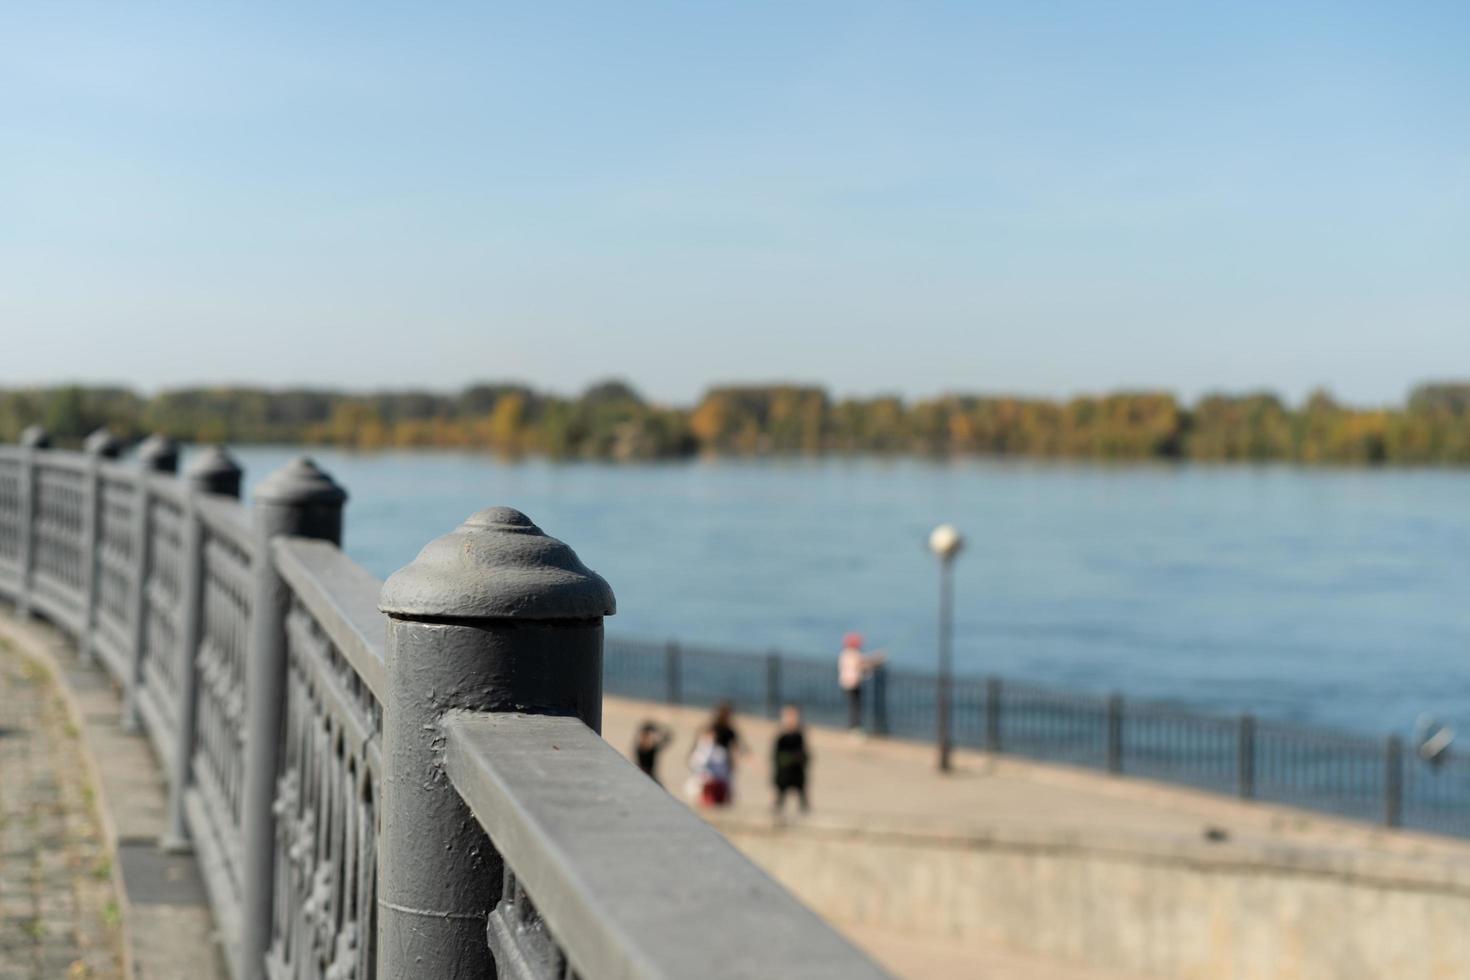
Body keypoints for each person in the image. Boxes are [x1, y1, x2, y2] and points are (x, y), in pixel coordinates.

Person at [837, 632, 886, 731]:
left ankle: (853, 726)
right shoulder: (853, 654)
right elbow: (862, 664)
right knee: (855, 707)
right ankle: (854, 727)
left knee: (854, 706)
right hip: (853, 683)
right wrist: (878, 659)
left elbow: (863, 662)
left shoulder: (845, 653)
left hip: (847, 683)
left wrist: (875, 659)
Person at [772, 704, 810, 815]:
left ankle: (803, 808)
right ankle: (778, 808)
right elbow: (776, 755)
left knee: (800, 790)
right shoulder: (781, 736)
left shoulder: (799, 735)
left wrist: (801, 759)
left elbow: (804, 753)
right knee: (781, 792)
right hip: (784, 771)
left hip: (797, 770)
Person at [686, 726, 733, 807]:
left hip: (717, 781)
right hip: (703, 780)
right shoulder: (700, 751)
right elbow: (695, 765)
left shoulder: (720, 751)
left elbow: (724, 769)